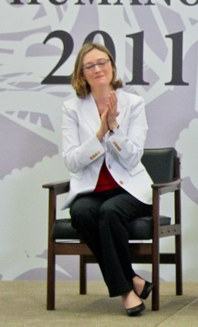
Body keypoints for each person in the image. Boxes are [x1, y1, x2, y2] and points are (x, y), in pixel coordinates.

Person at [60, 42, 152, 316]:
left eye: (103, 62)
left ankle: (126, 292)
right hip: (90, 189)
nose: (98, 68)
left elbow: (133, 157)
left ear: (112, 66)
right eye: (90, 65)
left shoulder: (133, 104)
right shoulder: (72, 108)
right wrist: (98, 133)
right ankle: (129, 283)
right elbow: (71, 160)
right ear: (82, 74)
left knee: (110, 213)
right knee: (81, 213)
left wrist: (113, 129)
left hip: (130, 190)